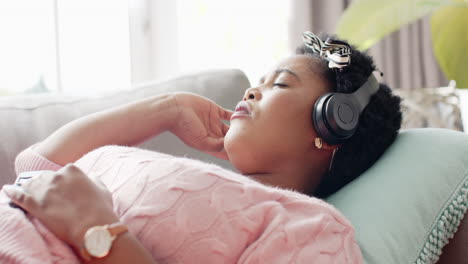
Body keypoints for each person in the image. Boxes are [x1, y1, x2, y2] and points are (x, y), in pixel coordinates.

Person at [1, 32, 402, 263]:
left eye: (279, 84)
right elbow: (36, 166)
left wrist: (95, 231)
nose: (252, 90)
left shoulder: (313, 232)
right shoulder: (202, 177)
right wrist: (168, 108)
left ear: (332, 123)